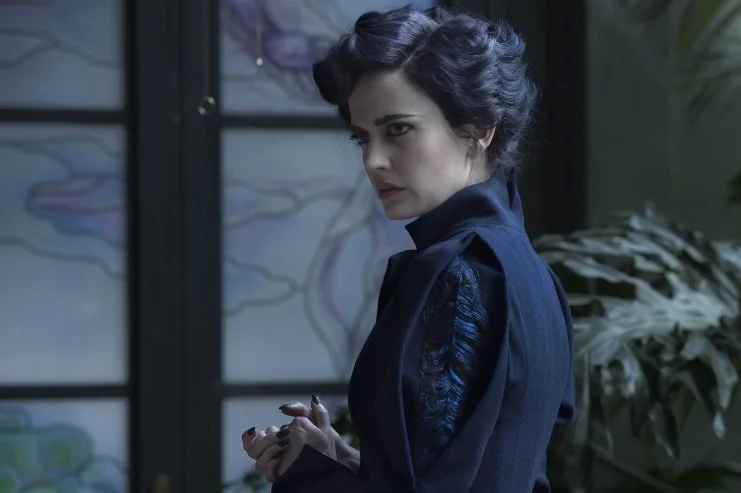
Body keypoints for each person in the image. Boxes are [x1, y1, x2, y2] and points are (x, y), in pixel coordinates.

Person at [242, 5, 575, 492]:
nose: (373, 161)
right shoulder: (532, 273)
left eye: (398, 129)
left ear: (480, 126)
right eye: (362, 138)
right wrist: (341, 459)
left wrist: (304, 476)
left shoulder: (461, 271)